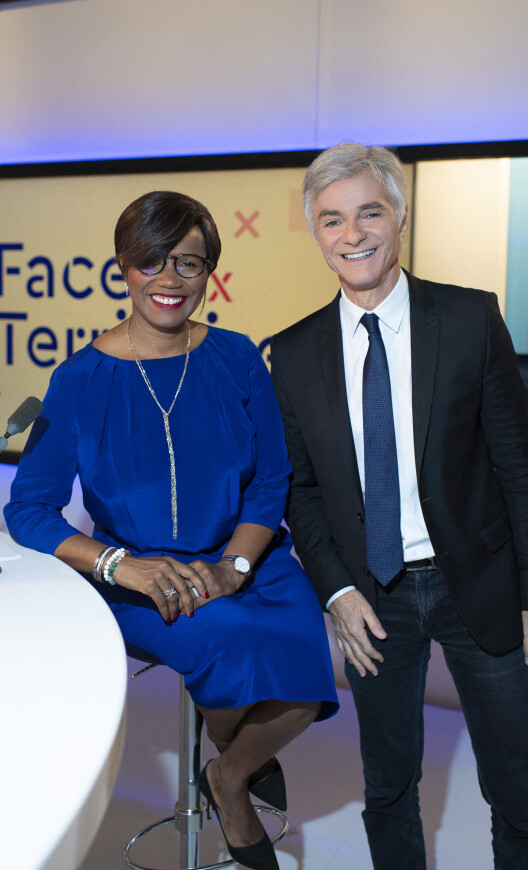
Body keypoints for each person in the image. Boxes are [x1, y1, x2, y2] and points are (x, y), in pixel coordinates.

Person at [5, 190, 338, 870]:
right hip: (141, 571)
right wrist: (116, 565)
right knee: (227, 639)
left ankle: (229, 774)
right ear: (124, 266)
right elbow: (28, 508)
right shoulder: (79, 380)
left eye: (188, 262)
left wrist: (234, 567)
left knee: (307, 669)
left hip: (250, 558)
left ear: (208, 273)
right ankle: (238, 782)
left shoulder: (239, 358)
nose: (169, 279)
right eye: (151, 260)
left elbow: (270, 481)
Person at [269, 143, 528, 869]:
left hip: (479, 587)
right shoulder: (295, 352)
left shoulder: (467, 320)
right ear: (315, 231)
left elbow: (520, 466)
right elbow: (299, 490)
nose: (353, 234)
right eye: (332, 219)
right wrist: (335, 589)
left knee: (518, 786)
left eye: (369, 212)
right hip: (373, 597)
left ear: (400, 216)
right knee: (389, 789)